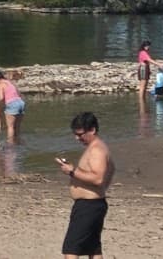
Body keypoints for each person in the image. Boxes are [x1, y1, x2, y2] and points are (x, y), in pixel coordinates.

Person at [56, 111, 114, 259]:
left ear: (92, 130)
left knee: (71, 249)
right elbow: (111, 169)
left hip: (88, 206)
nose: (77, 138)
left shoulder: (97, 149)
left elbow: (98, 178)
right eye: (75, 134)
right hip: (92, 205)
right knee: (93, 248)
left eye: (80, 134)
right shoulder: (97, 148)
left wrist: (72, 171)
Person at [0, 69, 24, 144]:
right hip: (21, 103)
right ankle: (17, 142)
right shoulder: (10, 82)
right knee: (17, 127)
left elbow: (1, 98)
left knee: (10, 127)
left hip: (12, 104)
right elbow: (19, 94)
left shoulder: (1, 85)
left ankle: (10, 145)